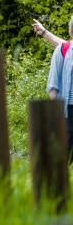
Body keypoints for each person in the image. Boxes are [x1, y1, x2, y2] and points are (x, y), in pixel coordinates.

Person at [46, 15, 73, 157]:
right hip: (67, 110)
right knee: (65, 154)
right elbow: (53, 85)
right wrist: (55, 115)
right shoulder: (63, 50)